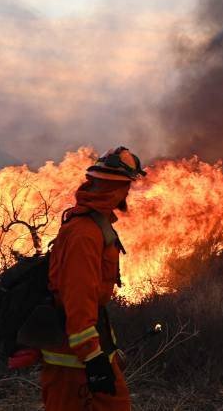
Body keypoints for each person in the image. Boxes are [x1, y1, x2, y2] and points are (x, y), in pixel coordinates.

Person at [41, 147, 146, 411]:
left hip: (88, 351)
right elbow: (78, 298)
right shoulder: (85, 234)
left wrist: (105, 351)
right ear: (116, 188)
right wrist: (93, 357)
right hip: (73, 363)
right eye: (127, 187)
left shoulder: (95, 226)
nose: (128, 193)